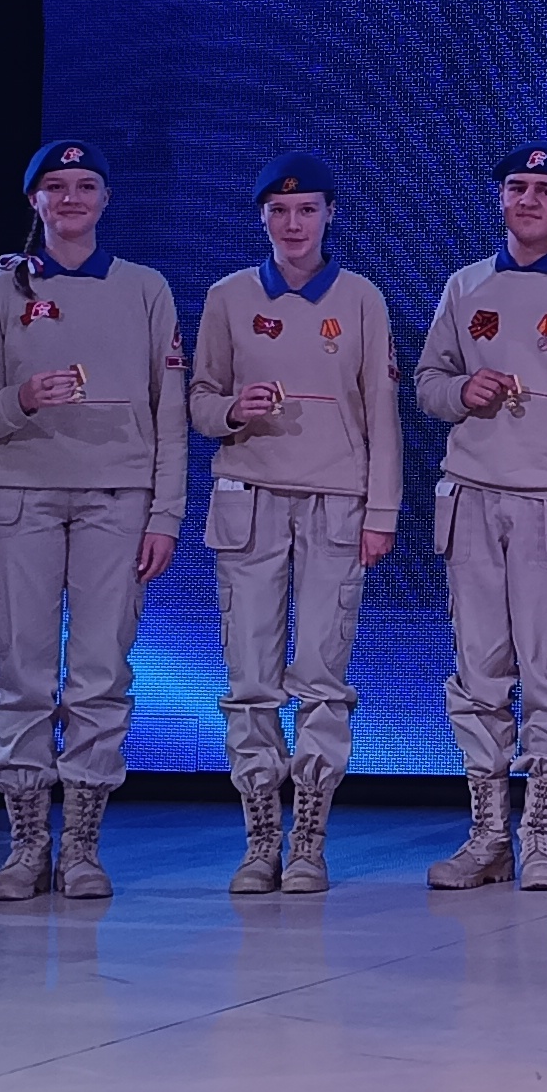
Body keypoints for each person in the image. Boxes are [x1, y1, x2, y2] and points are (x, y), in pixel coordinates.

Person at [0, 140, 187, 898]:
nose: (72, 197)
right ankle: (26, 845)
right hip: (18, 499)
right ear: (35, 201)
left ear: (106, 199)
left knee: (100, 673)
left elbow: (171, 414)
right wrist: (21, 398)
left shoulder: (144, 288)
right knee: (22, 671)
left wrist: (167, 514)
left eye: (86, 185)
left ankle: (81, 846)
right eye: (57, 186)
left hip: (117, 500)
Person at [414, 145, 547, 890]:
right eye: (516, 187)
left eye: (545, 189)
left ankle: (540, 835)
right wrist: (460, 391)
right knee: (478, 672)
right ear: (500, 197)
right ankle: (487, 836)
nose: (528, 199)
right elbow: (428, 381)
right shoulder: (466, 285)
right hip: (471, 494)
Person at [189, 153, 405, 884]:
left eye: (307, 209)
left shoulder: (362, 298)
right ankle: (260, 835)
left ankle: (308, 838)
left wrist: (382, 510)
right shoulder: (228, 296)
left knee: (321, 674)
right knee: (250, 676)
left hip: (335, 503)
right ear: (262, 217)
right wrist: (231, 409)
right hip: (248, 499)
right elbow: (199, 401)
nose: (293, 223)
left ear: (329, 214)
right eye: (279, 211)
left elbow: (381, 413)